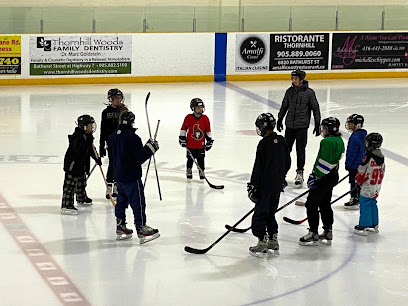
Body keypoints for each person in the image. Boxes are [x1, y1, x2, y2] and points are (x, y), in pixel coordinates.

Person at [107, 110, 160, 243]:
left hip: (118, 176)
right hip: (131, 176)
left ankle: (121, 227)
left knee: (121, 202)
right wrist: (150, 149)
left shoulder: (112, 136)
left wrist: (147, 148)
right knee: (138, 203)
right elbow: (140, 157)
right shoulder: (132, 137)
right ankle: (141, 228)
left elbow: (111, 159)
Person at [247, 113, 291, 258]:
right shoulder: (282, 140)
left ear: (264, 126)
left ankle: (262, 242)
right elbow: (287, 162)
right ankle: (273, 240)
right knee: (271, 212)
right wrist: (281, 177)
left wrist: (253, 185)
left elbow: (258, 167)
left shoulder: (263, 143)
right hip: (277, 185)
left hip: (265, 186)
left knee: (260, 213)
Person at [299, 117, 344, 246]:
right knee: (325, 203)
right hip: (332, 176)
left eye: (324, 128)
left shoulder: (327, 142)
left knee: (311, 204)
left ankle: (313, 233)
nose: (322, 130)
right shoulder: (339, 140)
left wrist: (315, 176)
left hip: (323, 177)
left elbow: (324, 163)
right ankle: (328, 231)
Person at [277, 69, 321, 188]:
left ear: (301, 80)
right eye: (292, 78)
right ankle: (282, 174)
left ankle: (300, 173)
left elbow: (315, 109)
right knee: (286, 151)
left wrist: (317, 124)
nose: (293, 80)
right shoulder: (289, 91)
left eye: (295, 78)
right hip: (289, 126)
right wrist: (280, 119)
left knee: (300, 150)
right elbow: (284, 106)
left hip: (302, 127)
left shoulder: (309, 93)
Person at [61, 115, 102, 215]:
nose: (92, 127)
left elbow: (91, 150)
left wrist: (97, 158)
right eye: (90, 125)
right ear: (84, 126)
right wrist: (87, 141)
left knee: (81, 182)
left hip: (81, 165)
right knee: (70, 186)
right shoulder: (78, 137)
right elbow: (80, 150)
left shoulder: (87, 136)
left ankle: (81, 197)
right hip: (73, 165)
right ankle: (66, 204)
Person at [354, 133, 385, 235]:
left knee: (365, 203)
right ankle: (374, 223)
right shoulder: (380, 156)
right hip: (376, 184)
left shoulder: (367, 157)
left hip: (367, 185)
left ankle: (363, 225)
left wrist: (358, 182)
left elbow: (362, 171)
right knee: (372, 202)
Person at [99, 88, 128, 199]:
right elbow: (103, 130)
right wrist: (102, 145)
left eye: (120, 98)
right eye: (116, 98)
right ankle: (109, 186)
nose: (119, 100)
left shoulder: (124, 110)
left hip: (123, 142)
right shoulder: (105, 112)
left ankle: (117, 185)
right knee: (113, 164)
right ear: (111, 99)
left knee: (120, 164)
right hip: (111, 143)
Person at [179, 98, 213, 180]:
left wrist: (209, 141)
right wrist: (182, 138)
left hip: (201, 145)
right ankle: (189, 170)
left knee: (201, 159)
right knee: (190, 159)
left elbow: (207, 131)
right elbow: (184, 129)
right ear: (193, 108)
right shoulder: (188, 117)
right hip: (190, 144)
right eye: (198, 108)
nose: (200, 109)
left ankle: (201, 171)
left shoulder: (205, 118)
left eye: (201, 107)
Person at [344, 114, 367, 209]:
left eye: (351, 124)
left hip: (354, 165)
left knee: (353, 181)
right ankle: (360, 198)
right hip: (363, 165)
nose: (349, 126)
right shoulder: (365, 135)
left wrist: (348, 164)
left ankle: (354, 199)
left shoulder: (354, 137)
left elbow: (351, 153)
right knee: (360, 182)